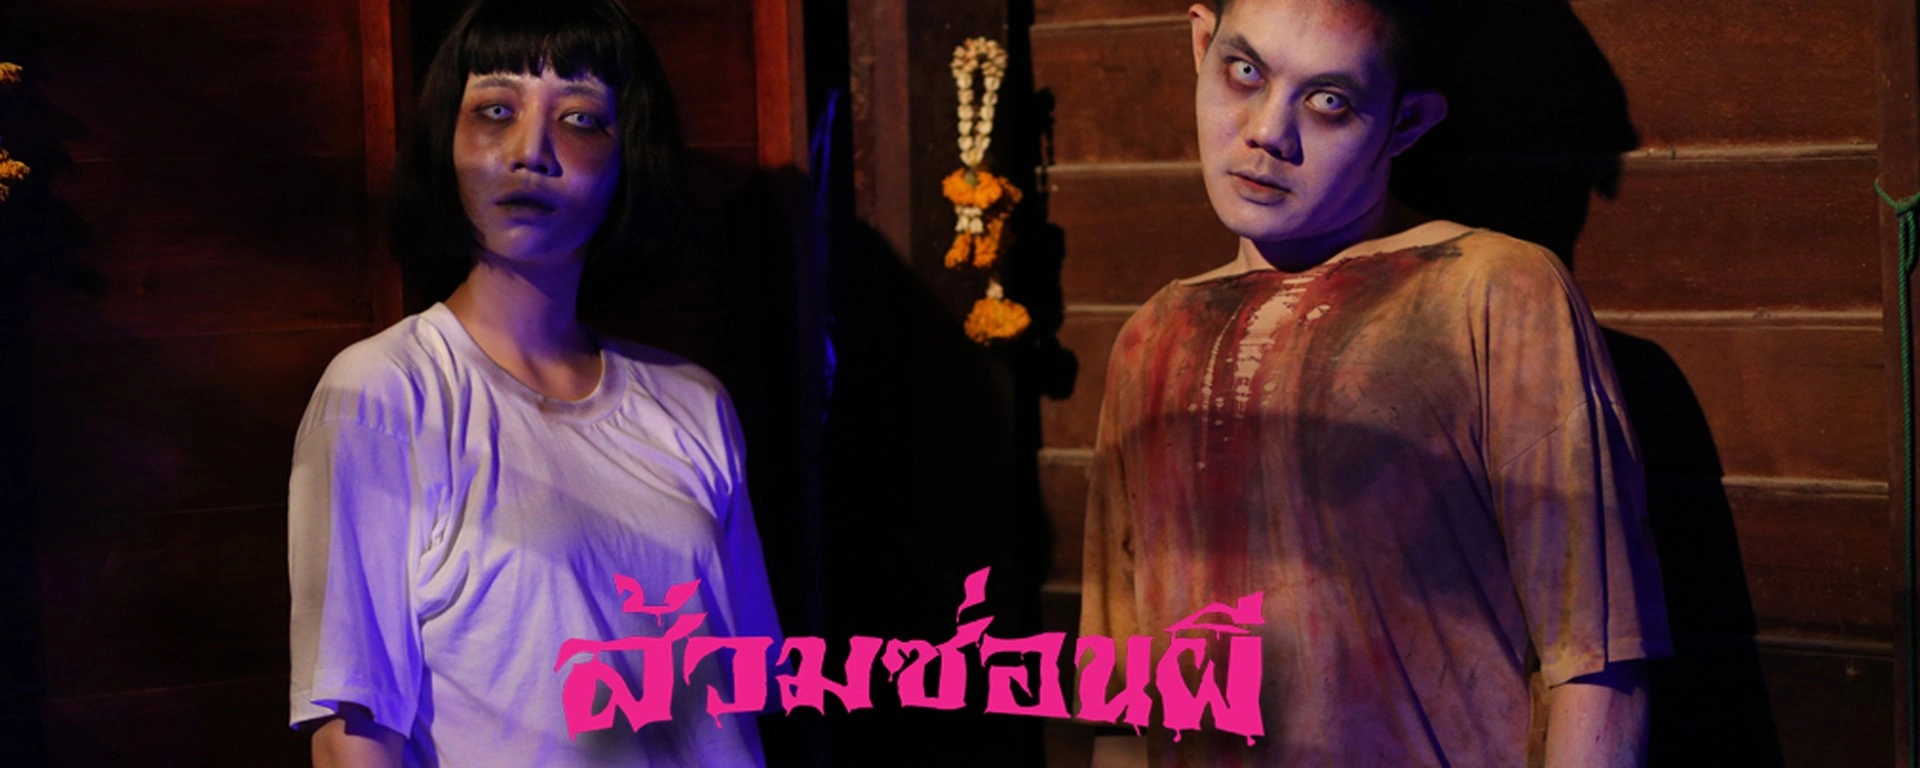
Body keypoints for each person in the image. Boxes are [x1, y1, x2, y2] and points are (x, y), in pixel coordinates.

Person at [1078, 0, 1671, 766]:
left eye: (1329, 101)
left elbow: (1595, 661)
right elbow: (1122, 696)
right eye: (1245, 71)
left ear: (1407, 122)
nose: (1267, 131)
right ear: (1201, 43)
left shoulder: (1494, 291)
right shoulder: (1153, 336)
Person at [286, 0, 782, 765]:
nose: (531, 153)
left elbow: (739, 697)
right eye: (495, 110)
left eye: (580, 120)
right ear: (446, 141)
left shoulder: (693, 404)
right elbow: (352, 732)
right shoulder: (386, 394)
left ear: (629, 154)